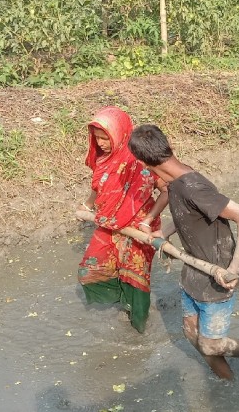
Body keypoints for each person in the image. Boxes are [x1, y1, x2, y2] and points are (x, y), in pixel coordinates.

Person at [128, 124, 239, 380]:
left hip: (217, 275)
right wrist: (163, 232)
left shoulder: (193, 186)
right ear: (168, 146)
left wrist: (233, 268)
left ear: (142, 163)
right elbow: (185, 213)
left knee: (210, 344)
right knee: (190, 332)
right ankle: (227, 383)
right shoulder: (174, 181)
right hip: (194, 269)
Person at [76, 106, 169, 334]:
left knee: (135, 277)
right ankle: (122, 303)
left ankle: (139, 323)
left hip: (138, 227)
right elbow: (99, 188)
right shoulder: (104, 160)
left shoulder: (140, 159)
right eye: (97, 139)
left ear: (119, 134)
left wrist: (148, 219)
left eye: (105, 138)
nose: (101, 144)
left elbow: (167, 190)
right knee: (93, 269)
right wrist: (87, 206)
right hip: (108, 223)